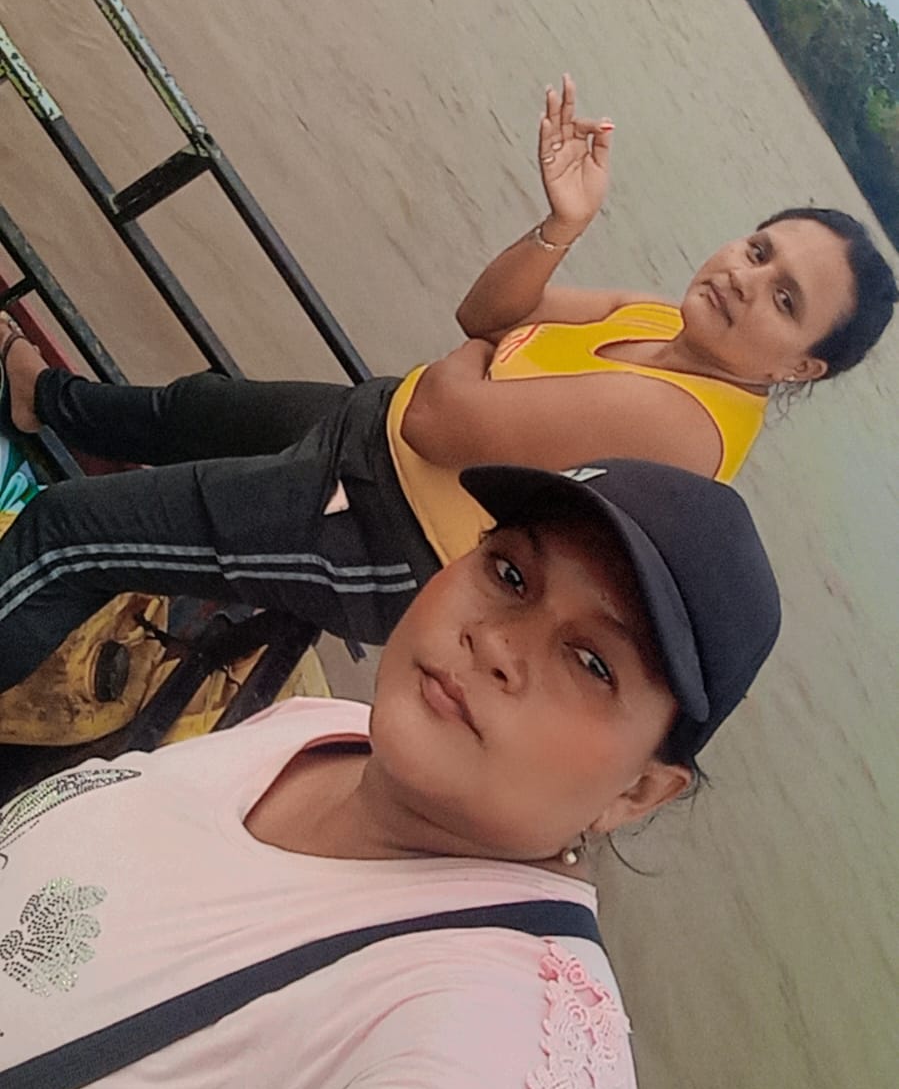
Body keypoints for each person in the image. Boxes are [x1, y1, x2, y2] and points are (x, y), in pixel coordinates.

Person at [0, 457, 782, 1089]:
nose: (498, 642)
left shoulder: (509, 1055)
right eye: (509, 573)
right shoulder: (324, 729)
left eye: (591, 662)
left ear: (637, 791)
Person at [0, 75, 894, 693]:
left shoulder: (684, 425)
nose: (745, 277)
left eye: (784, 298)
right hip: (369, 431)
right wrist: (561, 224)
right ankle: (46, 400)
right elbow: (483, 313)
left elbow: (439, 414)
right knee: (193, 409)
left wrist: (478, 362)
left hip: (381, 536)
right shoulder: (664, 320)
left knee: (67, 536)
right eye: (758, 248)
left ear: (799, 367)